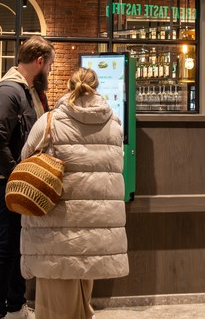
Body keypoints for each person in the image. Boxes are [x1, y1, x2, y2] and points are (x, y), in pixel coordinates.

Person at [19, 67, 128, 319]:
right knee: (82, 277)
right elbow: (116, 165)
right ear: (96, 88)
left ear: (69, 87)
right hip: (94, 223)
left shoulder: (49, 121)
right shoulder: (114, 125)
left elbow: (25, 157)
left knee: (55, 287)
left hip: (56, 221)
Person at [0, 35, 55, 319]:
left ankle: (15, 305)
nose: (49, 71)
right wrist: (18, 176)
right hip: (5, 182)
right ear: (39, 62)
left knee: (17, 246)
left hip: (17, 181)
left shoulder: (30, 91)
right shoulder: (8, 92)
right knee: (6, 246)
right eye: (49, 65)